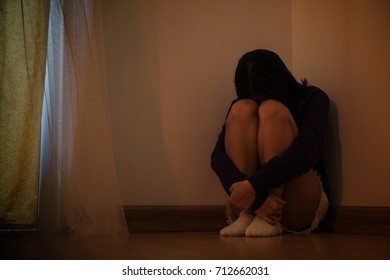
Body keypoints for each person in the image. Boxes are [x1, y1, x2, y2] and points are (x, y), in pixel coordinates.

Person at [210, 49, 330, 237]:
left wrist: (254, 186)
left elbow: (306, 153)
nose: (258, 102)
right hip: (248, 207)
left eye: (264, 95)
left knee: (271, 109)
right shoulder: (241, 103)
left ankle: (267, 217)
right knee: (241, 109)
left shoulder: (313, 98)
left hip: (295, 201)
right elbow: (217, 157)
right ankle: (250, 214)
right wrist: (257, 200)